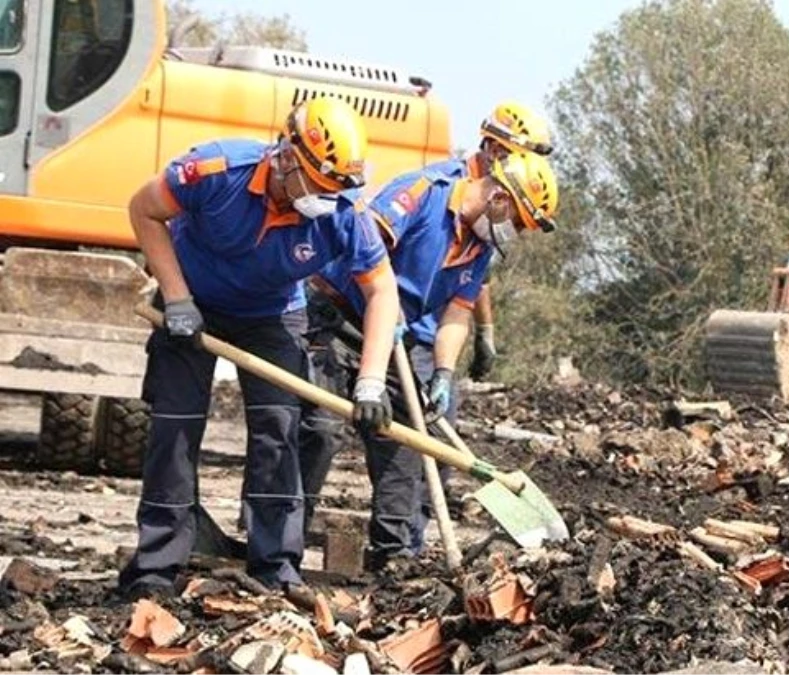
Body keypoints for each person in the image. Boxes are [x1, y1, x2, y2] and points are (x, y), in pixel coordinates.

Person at [118, 97, 400, 598]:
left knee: (279, 431)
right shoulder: (215, 170)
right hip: (192, 301)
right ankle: (156, 570)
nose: (325, 199)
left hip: (272, 315)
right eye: (319, 185)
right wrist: (178, 298)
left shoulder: (342, 214)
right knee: (175, 430)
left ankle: (275, 568)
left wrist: (372, 379)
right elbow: (143, 210)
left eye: (335, 190)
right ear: (287, 156)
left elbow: (381, 289)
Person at [299, 151, 560, 571]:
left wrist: (442, 372)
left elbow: (458, 310)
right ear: (498, 198)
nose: (514, 234)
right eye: (517, 223)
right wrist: (383, 301)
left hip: (390, 337)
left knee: (407, 436)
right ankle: (280, 549)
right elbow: (367, 244)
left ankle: (394, 556)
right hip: (336, 316)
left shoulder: (479, 246)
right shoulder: (422, 192)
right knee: (318, 429)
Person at [424, 100, 555, 381]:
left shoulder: (498, 212)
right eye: (523, 158)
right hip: (404, 325)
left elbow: (477, 275)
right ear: (496, 150)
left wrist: (485, 332)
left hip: (436, 335)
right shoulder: (444, 185)